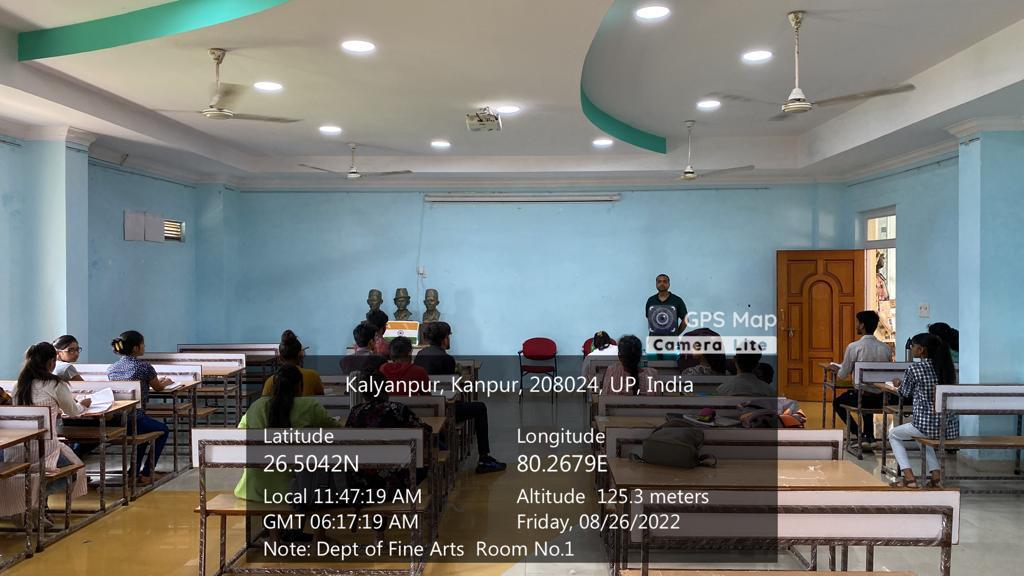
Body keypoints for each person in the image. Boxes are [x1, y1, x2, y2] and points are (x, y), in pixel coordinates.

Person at [0, 343, 90, 523]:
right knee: (75, 471)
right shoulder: (55, 384)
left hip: (15, 448)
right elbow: (73, 411)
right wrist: (83, 404)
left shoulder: (19, 385)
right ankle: (35, 502)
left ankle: (31, 506)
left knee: (32, 473)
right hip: (44, 449)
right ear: (51, 361)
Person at [236, 365, 340, 502]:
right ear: (299, 387)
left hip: (253, 490)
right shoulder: (310, 406)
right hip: (295, 492)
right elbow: (338, 432)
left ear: (274, 387)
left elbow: (239, 436)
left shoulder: (257, 406)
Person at [412, 324, 506, 474]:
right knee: (480, 408)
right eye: (448, 337)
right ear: (444, 339)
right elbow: (451, 388)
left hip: (422, 409)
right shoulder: (446, 359)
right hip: (444, 408)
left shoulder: (420, 355)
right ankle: (484, 458)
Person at [888, 333, 959, 488]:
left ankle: (909, 478)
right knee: (920, 434)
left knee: (893, 434)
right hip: (948, 428)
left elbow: (904, 393)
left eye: (913, 346)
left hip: (926, 426)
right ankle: (935, 475)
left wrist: (898, 384)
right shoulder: (947, 368)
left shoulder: (915, 368)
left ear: (921, 350)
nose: (911, 348)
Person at [107, 331, 171, 485]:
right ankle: (147, 473)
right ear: (135, 348)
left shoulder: (112, 368)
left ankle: (133, 472)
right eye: (142, 344)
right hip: (135, 417)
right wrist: (166, 382)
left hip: (117, 418)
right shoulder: (144, 367)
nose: (144, 346)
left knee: (144, 434)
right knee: (163, 430)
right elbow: (158, 387)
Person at [830, 311, 895, 447]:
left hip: (862, 397)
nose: (856, 325)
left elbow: (843, 375)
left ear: (862, 325)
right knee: (868, 393)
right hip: (881, 398)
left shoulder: (854, 347)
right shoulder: (885, 348)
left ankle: (859, 434)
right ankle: (868, 436)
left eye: (857, 322)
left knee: (838, 402)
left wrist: (838, 369)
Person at [262, 330, 323, 396]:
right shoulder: (313, 376)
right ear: (301, 356)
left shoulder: (271, 381)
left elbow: (265, 401)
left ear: (280, 358)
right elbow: (321, 398)